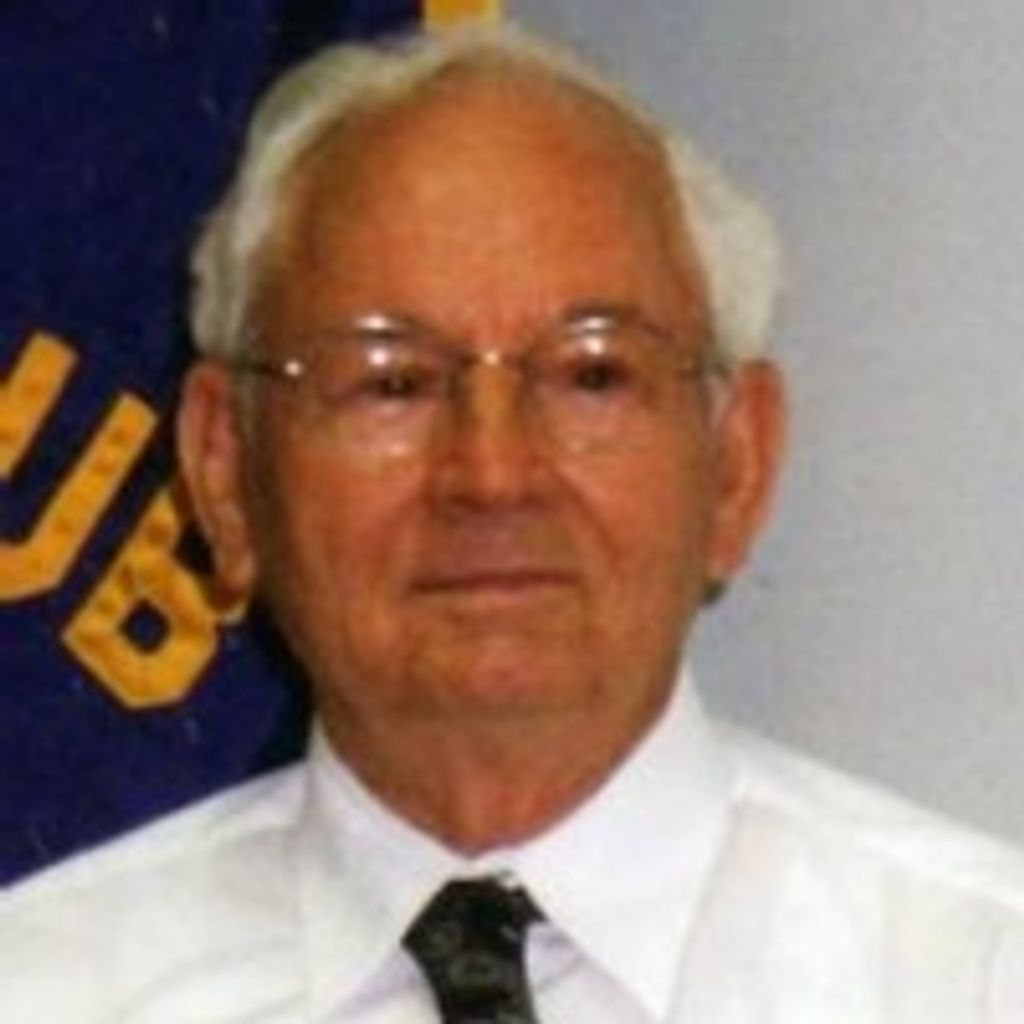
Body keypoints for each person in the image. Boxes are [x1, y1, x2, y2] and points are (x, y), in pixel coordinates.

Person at [4, 22, 1024, 1023]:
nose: (492, 474)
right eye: (390, 381)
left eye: (591, 375)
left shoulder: (975, 976)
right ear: (224, 470)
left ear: (735, 463)